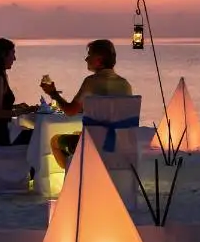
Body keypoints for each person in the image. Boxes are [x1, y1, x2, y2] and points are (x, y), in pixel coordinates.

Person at [40, 39, 132, 168]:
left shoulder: (91, 82)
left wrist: (53, 93)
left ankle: (74, 176)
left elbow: (70, 111)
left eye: (89, 55)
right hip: (120, 145)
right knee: (77, 134)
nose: (86, 59)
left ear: (99, 60)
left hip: (95, 147)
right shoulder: (125, 84)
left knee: (55, 141)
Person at [0, 38, 35, 146]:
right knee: (39, 136)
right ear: (3, 55)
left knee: (35, 135)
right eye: (12, 54)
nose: (15, 58)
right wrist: (26, 110)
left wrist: (17, 107)